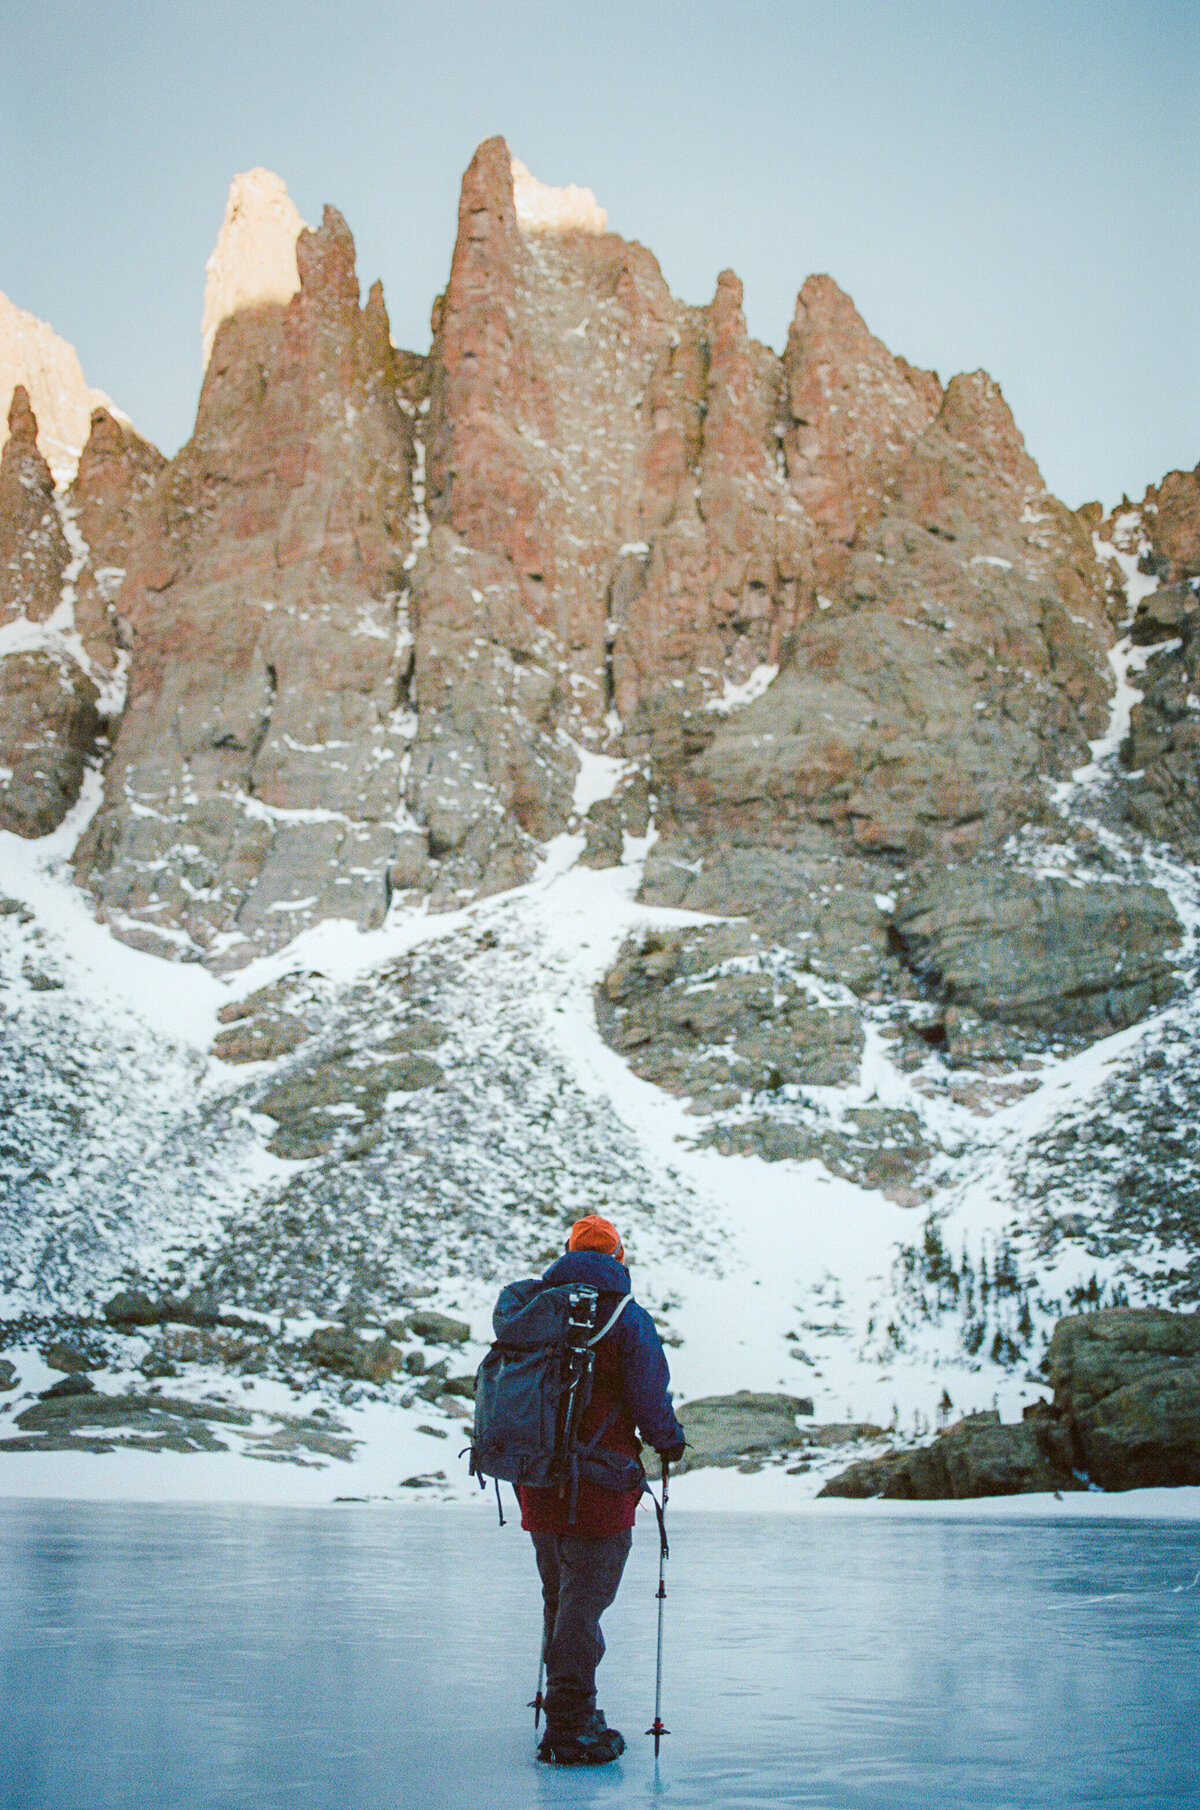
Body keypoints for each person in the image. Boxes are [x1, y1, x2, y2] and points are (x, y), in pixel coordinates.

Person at [520, 1214, 686, 1768]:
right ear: (619, 1257)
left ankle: (567, 1711)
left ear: (566, 1252)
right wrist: (670, 1443)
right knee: (583, 1606)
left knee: (560, 1597)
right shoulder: (626, 1317)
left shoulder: (538, 1311)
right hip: (600, 1487)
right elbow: (649, 1397)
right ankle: (570, 1727)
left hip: (539, 1484)